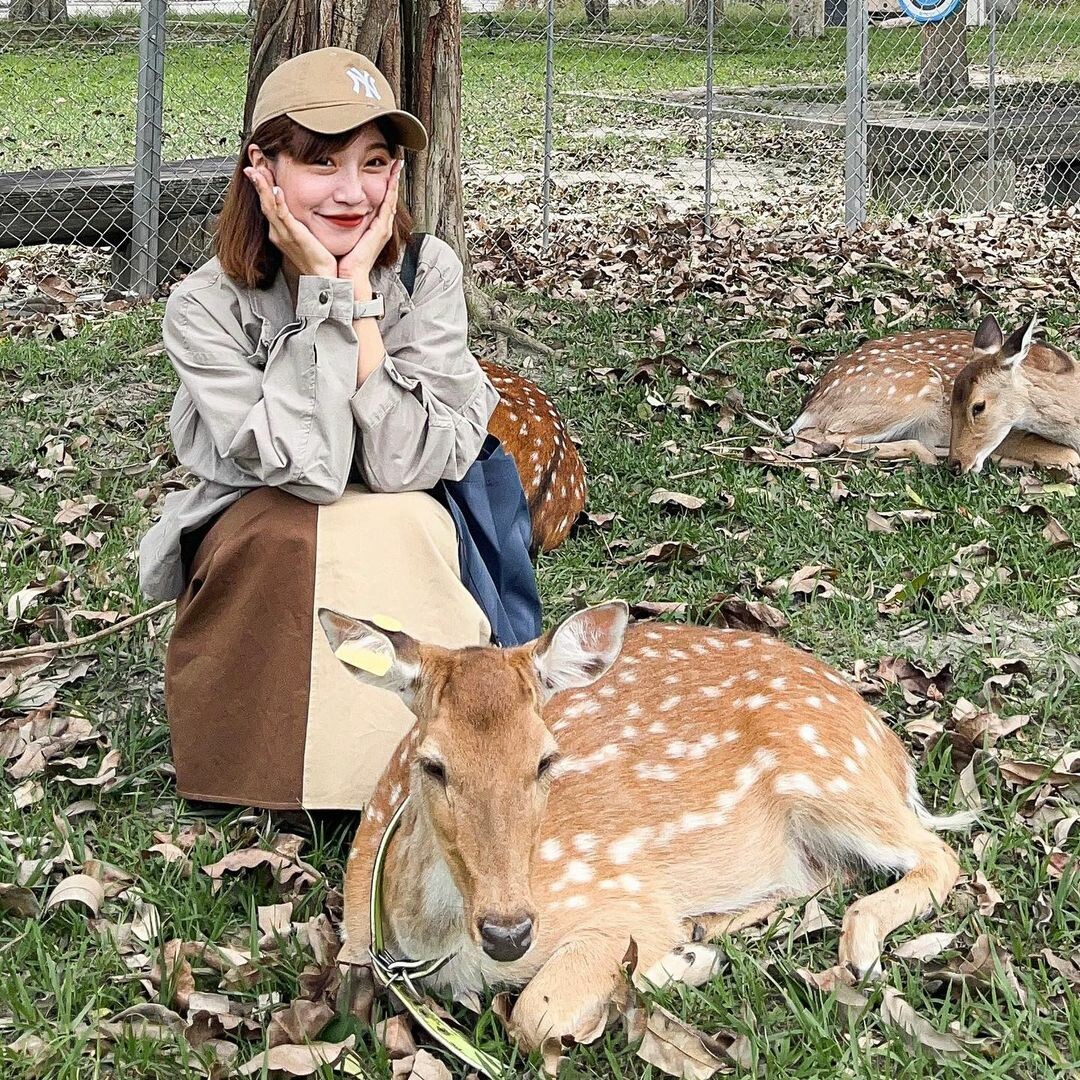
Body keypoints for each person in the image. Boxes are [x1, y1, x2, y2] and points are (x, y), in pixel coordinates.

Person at [138, 48, 500, 811]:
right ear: (262, 170)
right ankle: (263, 773)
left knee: (403, 518)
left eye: (374, 162)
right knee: (294, 532)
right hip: (265, 527)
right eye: (320, 162)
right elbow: (309, 472)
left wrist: (359, 295)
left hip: (405, 514)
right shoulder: (205, 306)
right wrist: (326, 308)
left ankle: (429, 770)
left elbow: (405, 464)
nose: (351, 192)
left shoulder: (426, 275)